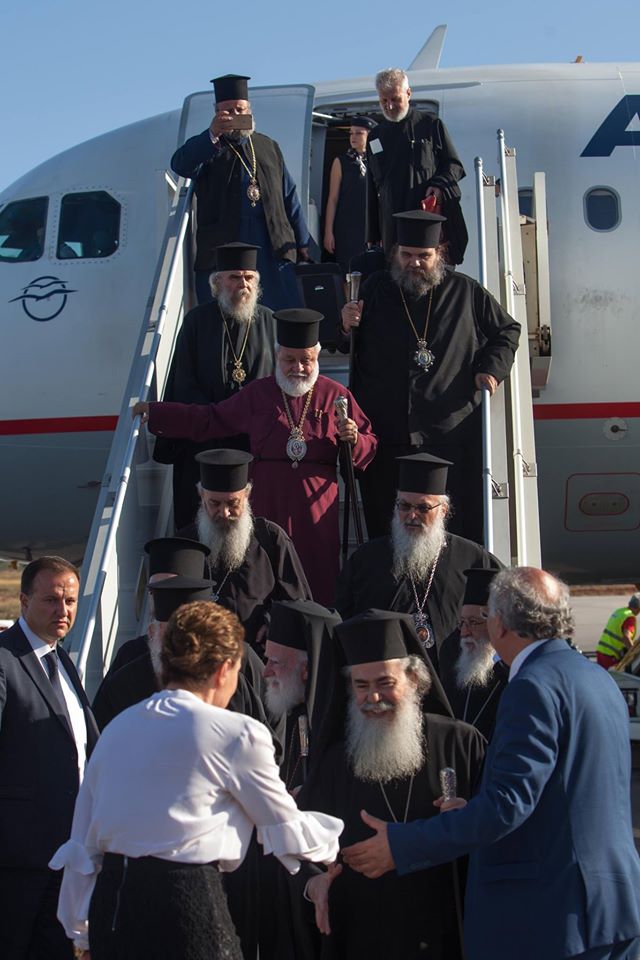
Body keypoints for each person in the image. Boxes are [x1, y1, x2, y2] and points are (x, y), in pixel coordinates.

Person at [342, 568, 640, 960]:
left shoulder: (532, 686)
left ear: (499, 623)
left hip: (550, 917)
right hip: (610, 907)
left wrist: (403, 844)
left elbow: (507, 805)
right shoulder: (597, 679)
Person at [52, 601, 343, 960]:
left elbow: (83, 842)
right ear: (224, 670)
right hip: (187, 904)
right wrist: (336, 844)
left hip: (113, 908)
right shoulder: (236, 734)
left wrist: (80, 933)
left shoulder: (117, 729)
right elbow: (285, 828)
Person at [133, 310, 377, 605]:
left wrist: (353, 437)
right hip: (267, 506)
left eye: (306, 359)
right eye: (290, 359)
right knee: (265, 581)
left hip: (315, 515)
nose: (298, 367)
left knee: (318, 584)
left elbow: (369, 445)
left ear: (316, 357)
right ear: (277, 357)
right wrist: (158, 413)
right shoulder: (259, 394)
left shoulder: (336, 395)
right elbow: (211, 419)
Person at [291, 609, 484, 960]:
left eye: (385, 683)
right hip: (359, 935)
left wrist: (468, 816)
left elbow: (497, 829)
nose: (373, 698)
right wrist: (311, 883)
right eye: (361, 686)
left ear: (414, 681)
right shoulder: (336, 760)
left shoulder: (460, 744)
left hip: (443, 933)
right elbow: (299, 844)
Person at [340, 209, 520, 543]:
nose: (414, 263)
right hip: (387, 437)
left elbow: (507, 331)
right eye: (407, 255)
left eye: (424, 256)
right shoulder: (375, 289)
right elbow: (343, 341)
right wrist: (345, 322)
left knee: (452, 532)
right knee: (388, 531)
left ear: (440, 254)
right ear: (396, 254)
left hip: (448, 436)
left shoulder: (465, 292)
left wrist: (491, 370)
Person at [0, 556, 99, 960]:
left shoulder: (62, 661)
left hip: (65, 856)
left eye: (71, 601)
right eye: (51, 601)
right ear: (23, 602)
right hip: (16, 864)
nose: (64, 611)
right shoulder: (6, 661)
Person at [336, 453, 500, 672]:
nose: (412, 515)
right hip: (389, 682)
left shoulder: (472, 557)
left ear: (443, 510)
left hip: (454, 682)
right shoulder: (366, 559)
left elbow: (506, 609)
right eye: (404, 506)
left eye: (423, 508)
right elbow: (342, 621)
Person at [156, 242, 278, 528]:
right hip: (205, 444)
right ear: (217, 282)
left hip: (253, 444)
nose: (243, 284)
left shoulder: (270, 321)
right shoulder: (197, 321)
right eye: (235, 277)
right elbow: (183, 383)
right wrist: (220, 420)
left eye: (249, 277)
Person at [171, 73, 311, 308]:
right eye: (228, 111)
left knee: (279, 318)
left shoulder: (268, 146)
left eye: (240, 109)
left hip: (271, 247)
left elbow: (289, 195)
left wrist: (303, 240)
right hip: (225, 251)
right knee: (229, 323)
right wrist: (213, 133)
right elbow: (180, 164)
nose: (236, 116)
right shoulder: (209, 147)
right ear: (217, 113)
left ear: (250, 109)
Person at [178, 448, 312, 654]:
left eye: (233, 503)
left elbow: (299, 603)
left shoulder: (271, 538)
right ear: (201, 495)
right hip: (200, 664)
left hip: (258, 665)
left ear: (247, 495)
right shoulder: (184, 544)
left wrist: (272, 622)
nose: (224, 512)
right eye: (214, 503)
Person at [366, 68, 467, 263]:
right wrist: (372, 235)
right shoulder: (375, 137)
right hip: (392, 226)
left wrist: (438, 186)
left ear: (408, 94)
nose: (389, 106)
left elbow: (454, 165)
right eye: (384, 101)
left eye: (395, 99)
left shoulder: (430, 126)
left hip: (426, 223)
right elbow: (371, 187)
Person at [265, 599, 342, 792]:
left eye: (275, 662)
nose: (265, 672)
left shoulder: (340, 731)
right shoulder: (290, 710)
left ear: (307, 668)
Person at [440, 567, 508, 741]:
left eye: (473, 622)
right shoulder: (451, 651)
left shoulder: (514, 660)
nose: (464, 632)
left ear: (496, 622)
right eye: (462, 622)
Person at [323, 116, 377, 275]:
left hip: (369, 227)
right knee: (349, 273)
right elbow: (332, 199)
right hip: (347, 228)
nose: (353, 137)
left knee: (372, 271)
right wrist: (328, 232)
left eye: (359, 133)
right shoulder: (341, 161)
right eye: (351, 133)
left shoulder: (376, 161)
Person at [596, 592, 640, 670]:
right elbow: (626, 637)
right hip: (611, 656)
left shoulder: (620, 611)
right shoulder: (630, 618)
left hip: (601, 651)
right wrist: (634, 654)